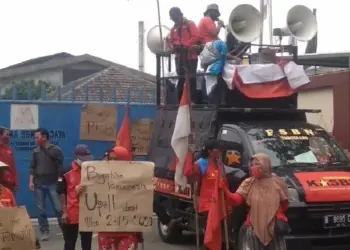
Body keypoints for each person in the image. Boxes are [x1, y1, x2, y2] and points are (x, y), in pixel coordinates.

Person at [220, 153, 289, 249]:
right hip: (252, 228)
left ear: (265, 164)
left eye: (256, 164)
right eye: (251, 165)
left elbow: (285, 204)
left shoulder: (278, 183)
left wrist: (274, 214)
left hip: (273, 229)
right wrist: (225, 192)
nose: (253, 167)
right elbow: (236, 200)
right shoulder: (248, 183)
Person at [97, 146, 142, 250]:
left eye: (116, 159)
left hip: (127, 231)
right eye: (110, 159)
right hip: (106, 230)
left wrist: (149, 189)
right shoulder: (99, 177)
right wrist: (80, 191)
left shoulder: (136, 179)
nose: (112, 162)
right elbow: (90, 200)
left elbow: (143, 202)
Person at [29, 128, 64, 241]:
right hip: (39, 184)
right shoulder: (35, 151)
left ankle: (65, 230)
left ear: (44, 137)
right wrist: (31, 182)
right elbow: (32, 168)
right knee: (41, 210)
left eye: (37, 137)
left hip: (53, 183)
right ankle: (44, 231)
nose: (35, 139)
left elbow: (60, 167)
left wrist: (60, 182)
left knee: (58, 208)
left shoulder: (55, 150)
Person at [57, 144, 93, 250]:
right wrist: (64, 212)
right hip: (71, 214)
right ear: (76, 157)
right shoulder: (66, 172)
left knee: (87, 244)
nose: (85, 162)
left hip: (87, 214)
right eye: (83, 159)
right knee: (69, 243)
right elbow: (61, 192)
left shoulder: (91, 171)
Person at [0, 161, 41, 249]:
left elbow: (16, 214)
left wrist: (30, 237)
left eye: (2, 171)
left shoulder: (7, 192)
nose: (1, 174)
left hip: (6, 234)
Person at [167, 7, 200, 104]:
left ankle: (192, 100)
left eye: (175, 17)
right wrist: (173, 47)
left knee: (191, 78)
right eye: (172, 18)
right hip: (179, 57)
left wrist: (185, 45)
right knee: (181, 78)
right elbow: (170, 41)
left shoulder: (190, 24)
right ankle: (181, 101)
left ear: (180, 15)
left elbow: (196, 37)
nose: (174, 20)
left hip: (190, 56)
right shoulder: (173, 29)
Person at [0, 127, 18, 194]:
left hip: (10, 183)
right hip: (1, 182)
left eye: (9, 135)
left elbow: (13, 167)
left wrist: (16, 182)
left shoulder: (9, 150)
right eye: (7, 134)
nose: (9, 137)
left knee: (11, 203)